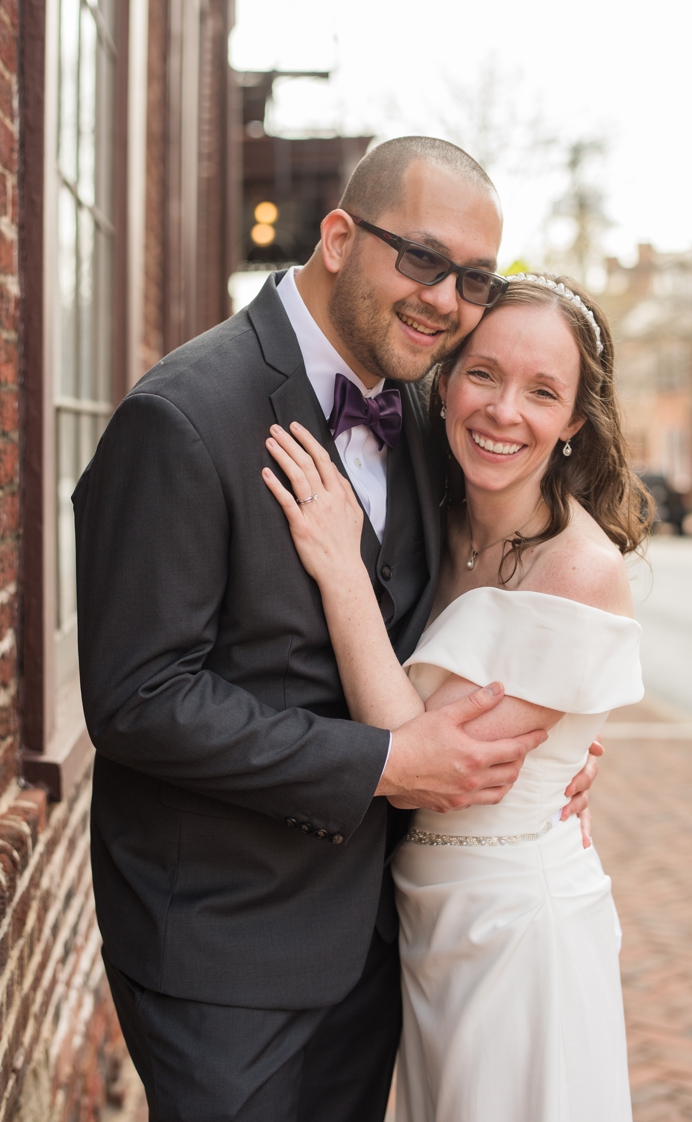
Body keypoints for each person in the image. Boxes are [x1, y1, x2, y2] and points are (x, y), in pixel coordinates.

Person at [72, 137, 602, 1120]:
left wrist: (553, 734)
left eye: (475, 279)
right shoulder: (182, 419)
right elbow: (139, 700)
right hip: (222, 960)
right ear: (339, 237)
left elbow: (456, 617)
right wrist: (381, 763)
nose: (446, 299)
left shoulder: (422, 409)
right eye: (422, 258)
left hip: (374, 943)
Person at [263, 271, 647, 1119]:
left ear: (575, 421)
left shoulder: (580, 571)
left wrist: (339, 563)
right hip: (423, 920)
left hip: (519, 929)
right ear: (446, 382)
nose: (504, 411)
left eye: (542, 392)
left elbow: (421, 759)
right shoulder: (437, 516)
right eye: (483, 374)